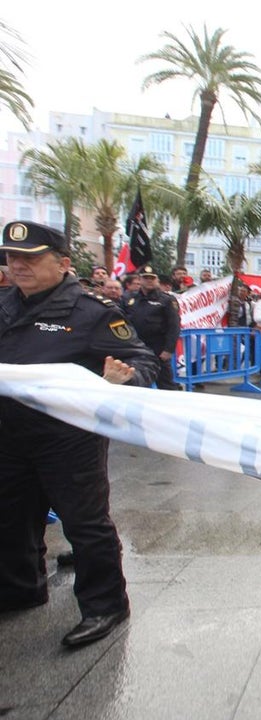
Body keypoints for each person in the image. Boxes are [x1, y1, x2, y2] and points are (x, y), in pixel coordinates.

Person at [0, 221, 159, 646]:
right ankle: (20, 588)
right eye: (13, 258)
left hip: (67, 440)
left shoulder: (91, 312)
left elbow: (142, 359)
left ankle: (105, 604)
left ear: (63, 263)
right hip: (10, 436)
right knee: (12, 518)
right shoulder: (4, 305)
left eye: (30, 258)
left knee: (85, 525)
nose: (18, 266)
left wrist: (124, 378)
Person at [124, 264, 181, 391]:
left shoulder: (166, 300)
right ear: (140, 279)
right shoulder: (130, 298)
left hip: (158, 349)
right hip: (136, 348)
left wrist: (168, 349)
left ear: (157, 280)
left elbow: (174, 326)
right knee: (137, 383)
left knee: (166, 385)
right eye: (146, 278)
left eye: (152, 278)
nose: (149, 280)